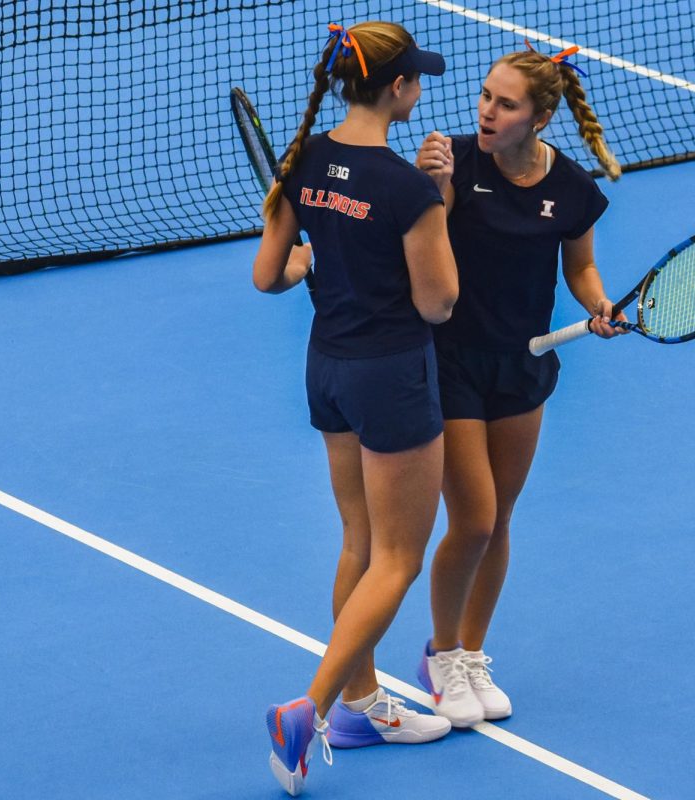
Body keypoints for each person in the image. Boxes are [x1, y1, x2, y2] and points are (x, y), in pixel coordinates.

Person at [252, 21, 457, 796]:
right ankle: (310, 705)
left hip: (328, 370)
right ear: (398, 88)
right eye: (417, 80)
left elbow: (269, 276)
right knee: (399, 559)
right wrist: (436, 201)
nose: (421, 90)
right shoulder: (406, 189)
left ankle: (363, 708)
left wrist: (310, 255)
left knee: (359, 542)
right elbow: (438, 305)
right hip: (393, 377)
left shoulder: (301, 159)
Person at [413, 44, 624, 726]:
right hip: (450, 362)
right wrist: (435, 191)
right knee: (471, 519)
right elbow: (422, 249)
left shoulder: (570, 188)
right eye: (485, 96)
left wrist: (599, 306)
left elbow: (581, 269)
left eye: (505, 104)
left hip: (524, 363)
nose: (486, 111)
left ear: (538, 118)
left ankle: (471, 652)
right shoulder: (455, 162)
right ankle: (441, 653)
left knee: (499, 518)